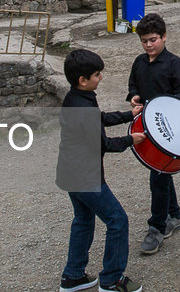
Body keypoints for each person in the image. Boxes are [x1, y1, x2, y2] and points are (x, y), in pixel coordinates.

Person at [57, 49, 145, 292]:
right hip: (85, 177)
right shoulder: (82, 107)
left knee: (83, 220)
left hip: (69, 173)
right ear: (82, 80)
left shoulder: (78, 97)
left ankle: (73, 276)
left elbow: (100, 118)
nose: (101, 78)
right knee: (117, 220)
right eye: (97, 75)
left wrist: (129, 115)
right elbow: (104, 144)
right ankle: (111, 280)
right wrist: (132, 139)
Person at [126, 13, 180, 256]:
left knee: (158, 175)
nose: (148, 45)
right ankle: (173, 215)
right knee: (161, 171)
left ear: (164, 37)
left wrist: (164, 106)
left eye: (153, 40)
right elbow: (133, 85)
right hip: (145, 126)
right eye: (144, 41)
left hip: (168, 128)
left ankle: (156, 227)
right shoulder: (139, 63)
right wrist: (133, 95)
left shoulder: (175, 64)